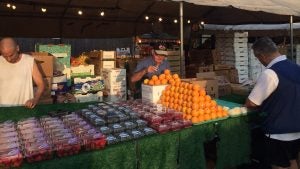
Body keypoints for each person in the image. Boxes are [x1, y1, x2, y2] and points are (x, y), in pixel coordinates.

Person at [245, 37, 300, 169]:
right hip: (297, 128)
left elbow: (252, 103)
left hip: (279, 131)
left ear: (262, 56)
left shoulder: (270, 73)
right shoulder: (296, 67)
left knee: (279, 165)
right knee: (292, 161)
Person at [0, 37, 45, 108]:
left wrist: (35, 99)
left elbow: (41, 84)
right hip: (3, 108)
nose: (9, 59)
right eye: (5, 56)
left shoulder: (29, 61)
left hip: (24, 107)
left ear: (17, 48)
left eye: (11, 55)